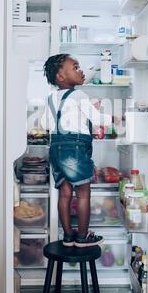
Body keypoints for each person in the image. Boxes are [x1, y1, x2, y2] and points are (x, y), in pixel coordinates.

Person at [43, 54, 112, 247]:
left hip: (56, 149)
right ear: (61, 77)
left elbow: (45, 124)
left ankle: (67, 236)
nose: (81, 71)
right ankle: (82, 236)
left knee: (64, 193)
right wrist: (112, 118)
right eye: (75, 67)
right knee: (83, 193)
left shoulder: (50, 99)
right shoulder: (80, 96)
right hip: (75, 149)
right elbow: (98, 120)